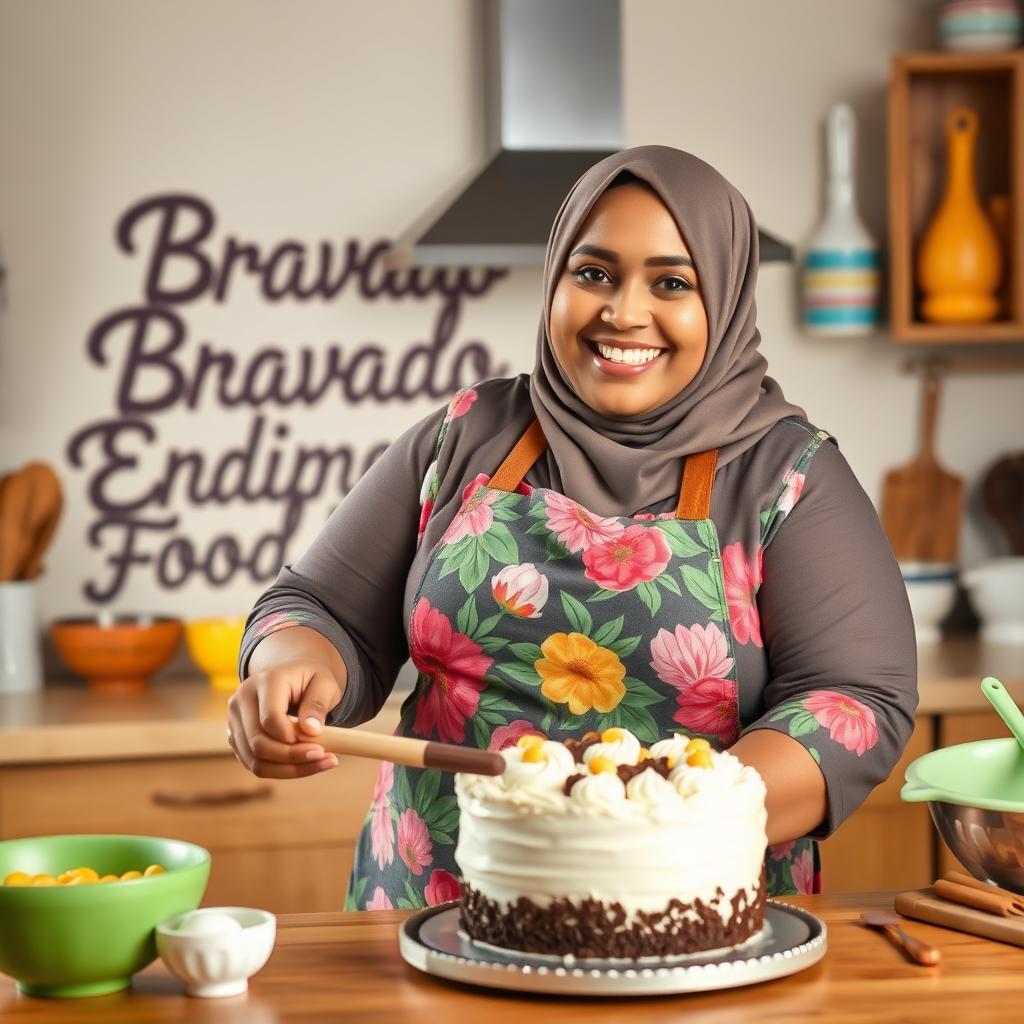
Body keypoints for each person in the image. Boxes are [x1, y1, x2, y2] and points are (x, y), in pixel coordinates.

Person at [228, 145, 917, 909]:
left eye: (672, 283)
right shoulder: (466, 434)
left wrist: (679, 814)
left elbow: (855, 699)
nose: (623, 311)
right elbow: (321, 607)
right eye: (593, 274)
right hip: (434, 903)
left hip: (689, 906)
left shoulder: (789, 477)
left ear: (723, 300)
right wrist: (286, 669)